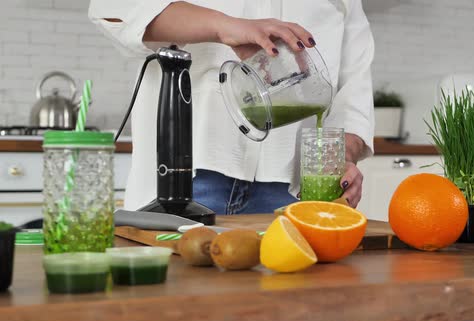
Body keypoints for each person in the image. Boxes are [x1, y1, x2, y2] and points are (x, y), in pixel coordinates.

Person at [88, 1, 375, 214]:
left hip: (295, 192)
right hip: (188, 183)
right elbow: (115, 10)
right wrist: (225, 26)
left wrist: (342, 158)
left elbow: (354, 92)